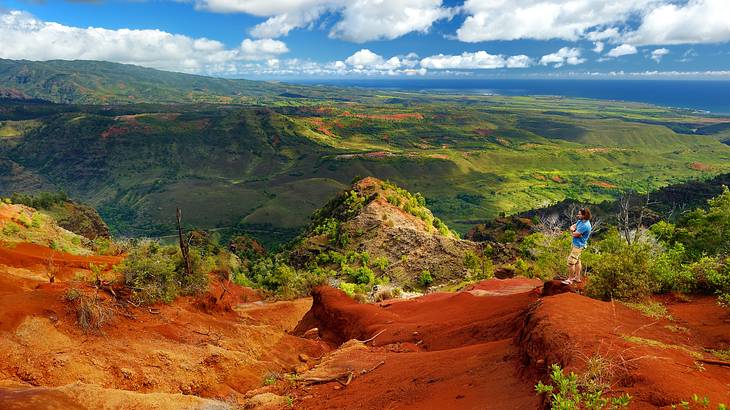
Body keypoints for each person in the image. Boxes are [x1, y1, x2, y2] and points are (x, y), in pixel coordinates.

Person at [563, 208, 592, 285]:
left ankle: (570, 279)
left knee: (571, 262)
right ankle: (577, 277)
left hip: (578, 246)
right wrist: (574, 230)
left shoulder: (585, 225)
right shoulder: (580, 221)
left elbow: (574, 234)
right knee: (577, 261)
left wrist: (574, 231)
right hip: (577, 244)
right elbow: (572, 226)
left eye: (579, 214)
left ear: (584, 215)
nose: (577, 215)